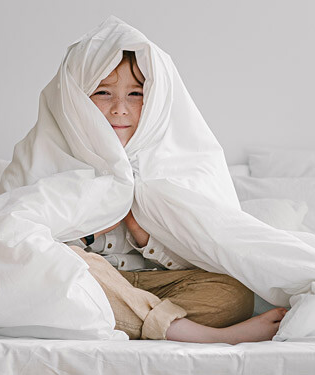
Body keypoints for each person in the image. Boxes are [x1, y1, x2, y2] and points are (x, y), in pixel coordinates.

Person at [65, 50, 288, 344]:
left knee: (233, 292)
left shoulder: (181, 163)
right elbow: (21, 250)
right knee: (64, 265)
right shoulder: (48, 156)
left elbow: (202, 253)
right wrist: (90, 235)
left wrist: (142, 233)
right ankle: (192, 334)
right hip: (92, 281)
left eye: (135, 93)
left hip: (161, 285)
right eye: (104, 92)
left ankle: (126, 321)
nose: (120, 108)